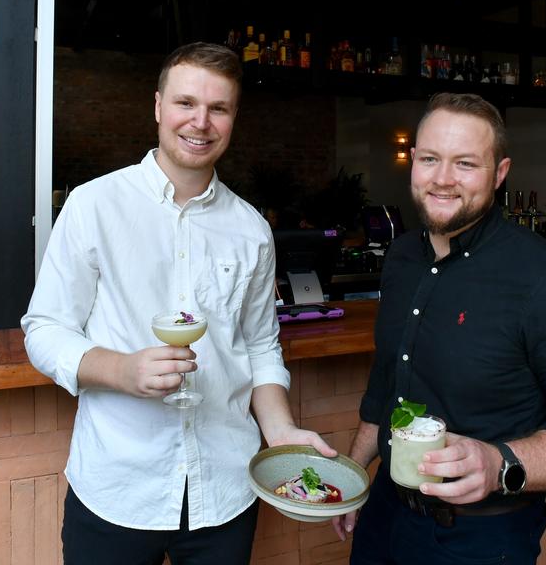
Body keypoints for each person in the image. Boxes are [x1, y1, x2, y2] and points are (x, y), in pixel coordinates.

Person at [22, 42, 334, 565]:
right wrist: (121, 370)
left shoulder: (252, 230)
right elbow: (45, 328)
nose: (201, 122)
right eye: (186, 103)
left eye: (219, 108)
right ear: (158, 108)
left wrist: (279, 430)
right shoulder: (94, 205)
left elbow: (259, 346)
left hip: (225, 489)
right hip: (118, 487)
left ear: (233, 119)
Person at [333, 92, 546, 564]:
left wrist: (500, 464)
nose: (443, 179)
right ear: (413, 161)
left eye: (466, 164)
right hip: (385, 515)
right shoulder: (402, 258)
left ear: (500, 173)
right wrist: (354, 470)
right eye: (430, 159)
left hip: (481, 538)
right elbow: (389, 380)